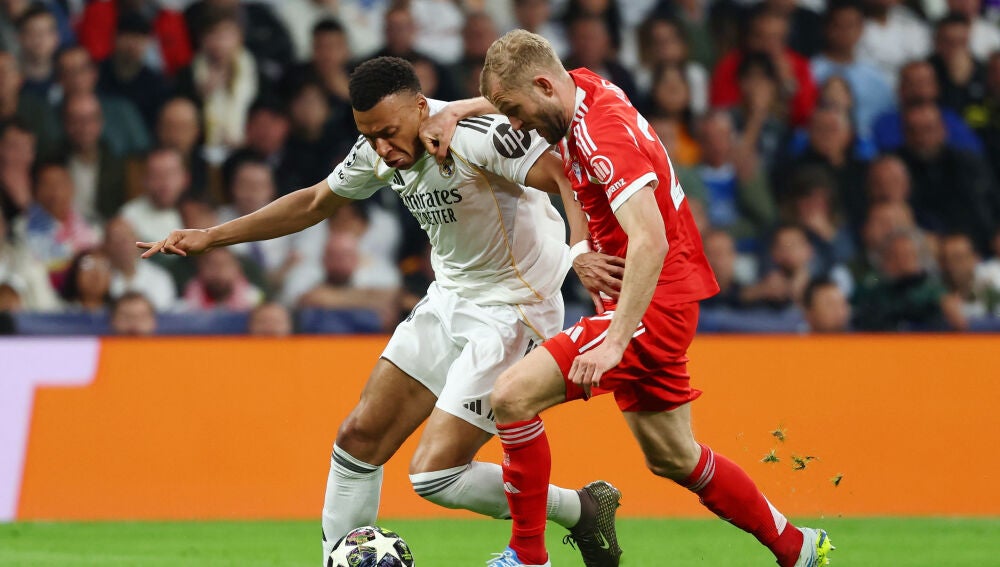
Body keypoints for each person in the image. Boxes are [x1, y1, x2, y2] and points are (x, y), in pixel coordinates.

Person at [137, 56, 625, 567]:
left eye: (389, 132)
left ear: (421, 107)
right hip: (449, 299)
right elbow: (314, 202)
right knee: (358, 440)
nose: (382, 148)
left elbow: (566, 175)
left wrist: (580, 249)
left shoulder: (476, 137)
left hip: (513, 310)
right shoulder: (377, 150)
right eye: (369, 136)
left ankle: (581, 509)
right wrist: (212, 236)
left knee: (435, 475)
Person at [424, 30, 834, 567]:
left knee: (512, 397)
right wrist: (458, 109)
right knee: (674, 457)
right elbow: (527, 83)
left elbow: (650, 239)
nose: (515, 125)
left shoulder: (602, 135)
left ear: (544, 87)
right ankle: (797, 547)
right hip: (655, 299)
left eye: (515, 112)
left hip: (651, 304)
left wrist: (617, 339)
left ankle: (527, 557)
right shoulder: (581, 88)